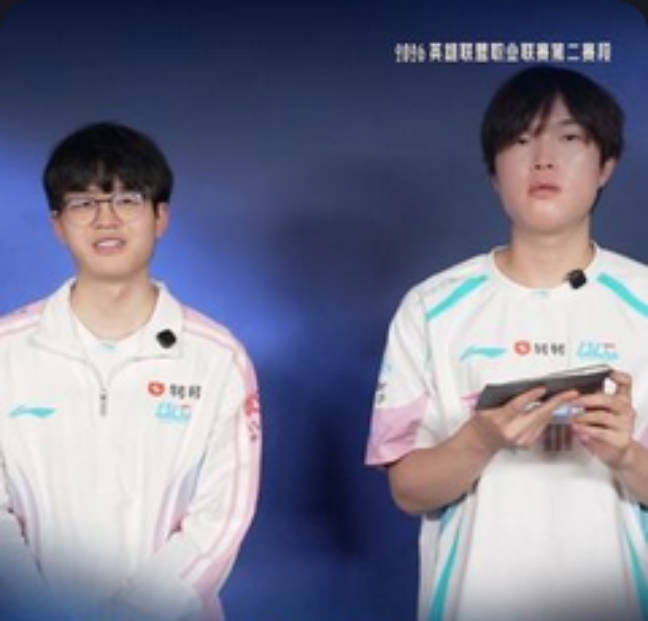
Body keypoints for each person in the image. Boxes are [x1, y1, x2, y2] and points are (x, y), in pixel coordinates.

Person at [366, 66, 648, 621]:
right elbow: (408, 490)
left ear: (606, 166)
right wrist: (480, 439)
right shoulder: (432, 308)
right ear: (494, 173)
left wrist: (626, 454)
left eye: (569, 138)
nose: (543, 159)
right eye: (520, 140)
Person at [0, 122, 261, 620]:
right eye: (83, 203)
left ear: (160, 216)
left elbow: (222, 517)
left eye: (126, 200)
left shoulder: (215, 357)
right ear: (58, 224)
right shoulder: (8, 352)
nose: (106, 219)